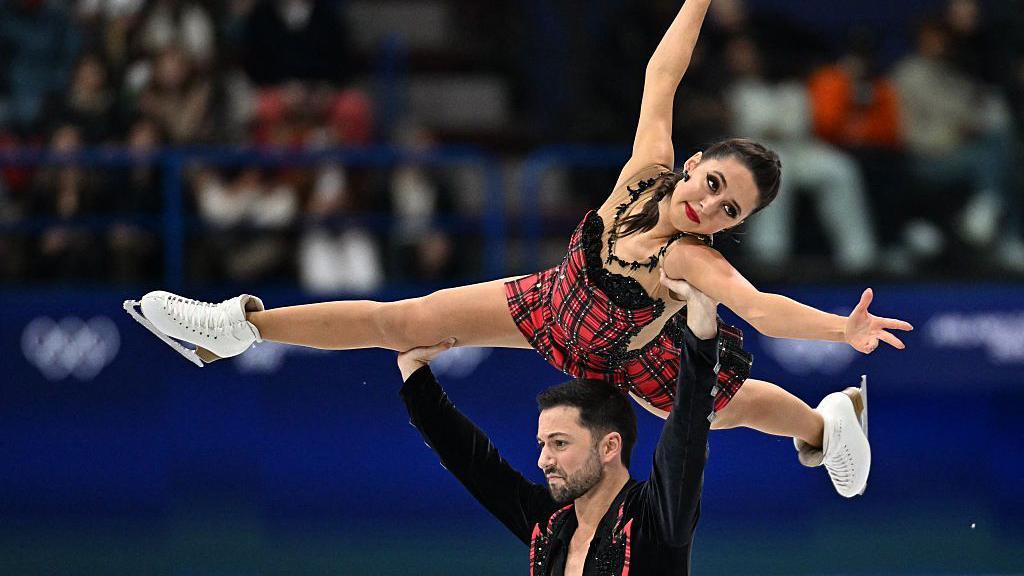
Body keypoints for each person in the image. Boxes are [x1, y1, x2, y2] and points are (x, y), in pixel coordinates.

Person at [128, 0, 904, 496]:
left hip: (625, 355)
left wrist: (842, 331)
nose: (708, 202)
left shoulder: (688, 260)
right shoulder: (646, 169)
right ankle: (238, 327)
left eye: (728, 209)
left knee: (718, 411)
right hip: (548, 302)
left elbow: (760, 308)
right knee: (407, 321)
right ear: (696, 161)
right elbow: (661, 73)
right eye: (713, 181)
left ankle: (828, 423)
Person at [397, 283, 865, 574]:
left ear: (609, 447)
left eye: (559, 444)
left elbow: (686, 430)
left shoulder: (656, 520)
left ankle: (826, 427)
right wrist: (415, 375)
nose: (543, 460)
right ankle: (823, 426)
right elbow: (473, 464)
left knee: (721, 410)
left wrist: (700, 334)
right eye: (542, 444)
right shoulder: (549, 524)